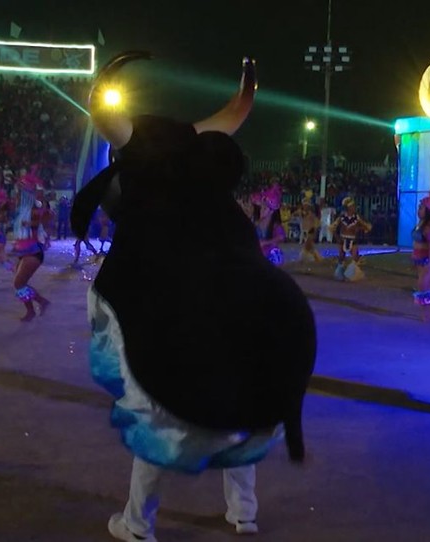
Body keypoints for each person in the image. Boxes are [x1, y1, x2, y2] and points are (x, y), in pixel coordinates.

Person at [75, 53, 315, 542]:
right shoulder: (223, 212)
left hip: (178, 320)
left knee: (160, 412)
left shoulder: (154, 208)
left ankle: (138, 523)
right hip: (242, 312)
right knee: (239, 406)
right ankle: (243, 514)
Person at [9, 237, 51, 321]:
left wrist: (46, 240)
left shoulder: (32, 223)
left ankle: (35, 308)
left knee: (19, 284)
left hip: (33, 252)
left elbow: (44, 226)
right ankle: (37, 305)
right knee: (20, 285)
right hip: (24, 253)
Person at [331, 196, 371, 281]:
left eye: (354, 206)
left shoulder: (357, 218)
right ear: (348, 208)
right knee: (341, 257)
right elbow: (333, 228)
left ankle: (351, 275)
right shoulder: (341, 218)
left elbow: (366, 227)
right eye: (352, 206)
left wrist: (359, 229)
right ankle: (340, 275)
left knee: (355, 257)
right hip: (342, 239)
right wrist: (337, 238)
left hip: (353, 240)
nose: (354, 207)